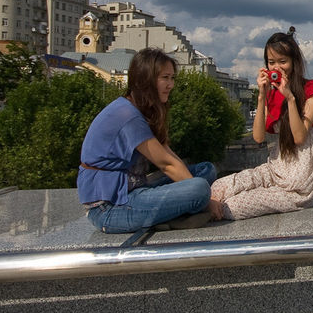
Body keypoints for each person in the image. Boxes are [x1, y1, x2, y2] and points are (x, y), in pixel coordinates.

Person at [78, 48, 220, 233]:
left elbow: (169, 154)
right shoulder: (128, 116)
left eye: (172, 78)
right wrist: (207, 202)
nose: (171, 85)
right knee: (199, 189)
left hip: (130, 191)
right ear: (146, 80)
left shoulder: (138, 109)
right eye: (165, 78)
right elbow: (166, 164)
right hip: (109, 208)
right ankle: (174, 214)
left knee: (205, 169)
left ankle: (171, 214)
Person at [210, 27, 313, 220]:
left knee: (233, 206)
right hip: (276, 168)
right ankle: (206, 209)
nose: (277, 68)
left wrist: (289, 98)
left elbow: (299, 137)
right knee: (219, 186)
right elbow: (258, 137)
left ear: (294, 63)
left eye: (283, 62)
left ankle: (206, 213)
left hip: (298, 184)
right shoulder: (271, 93)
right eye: (271, 62)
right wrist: (262, 96)